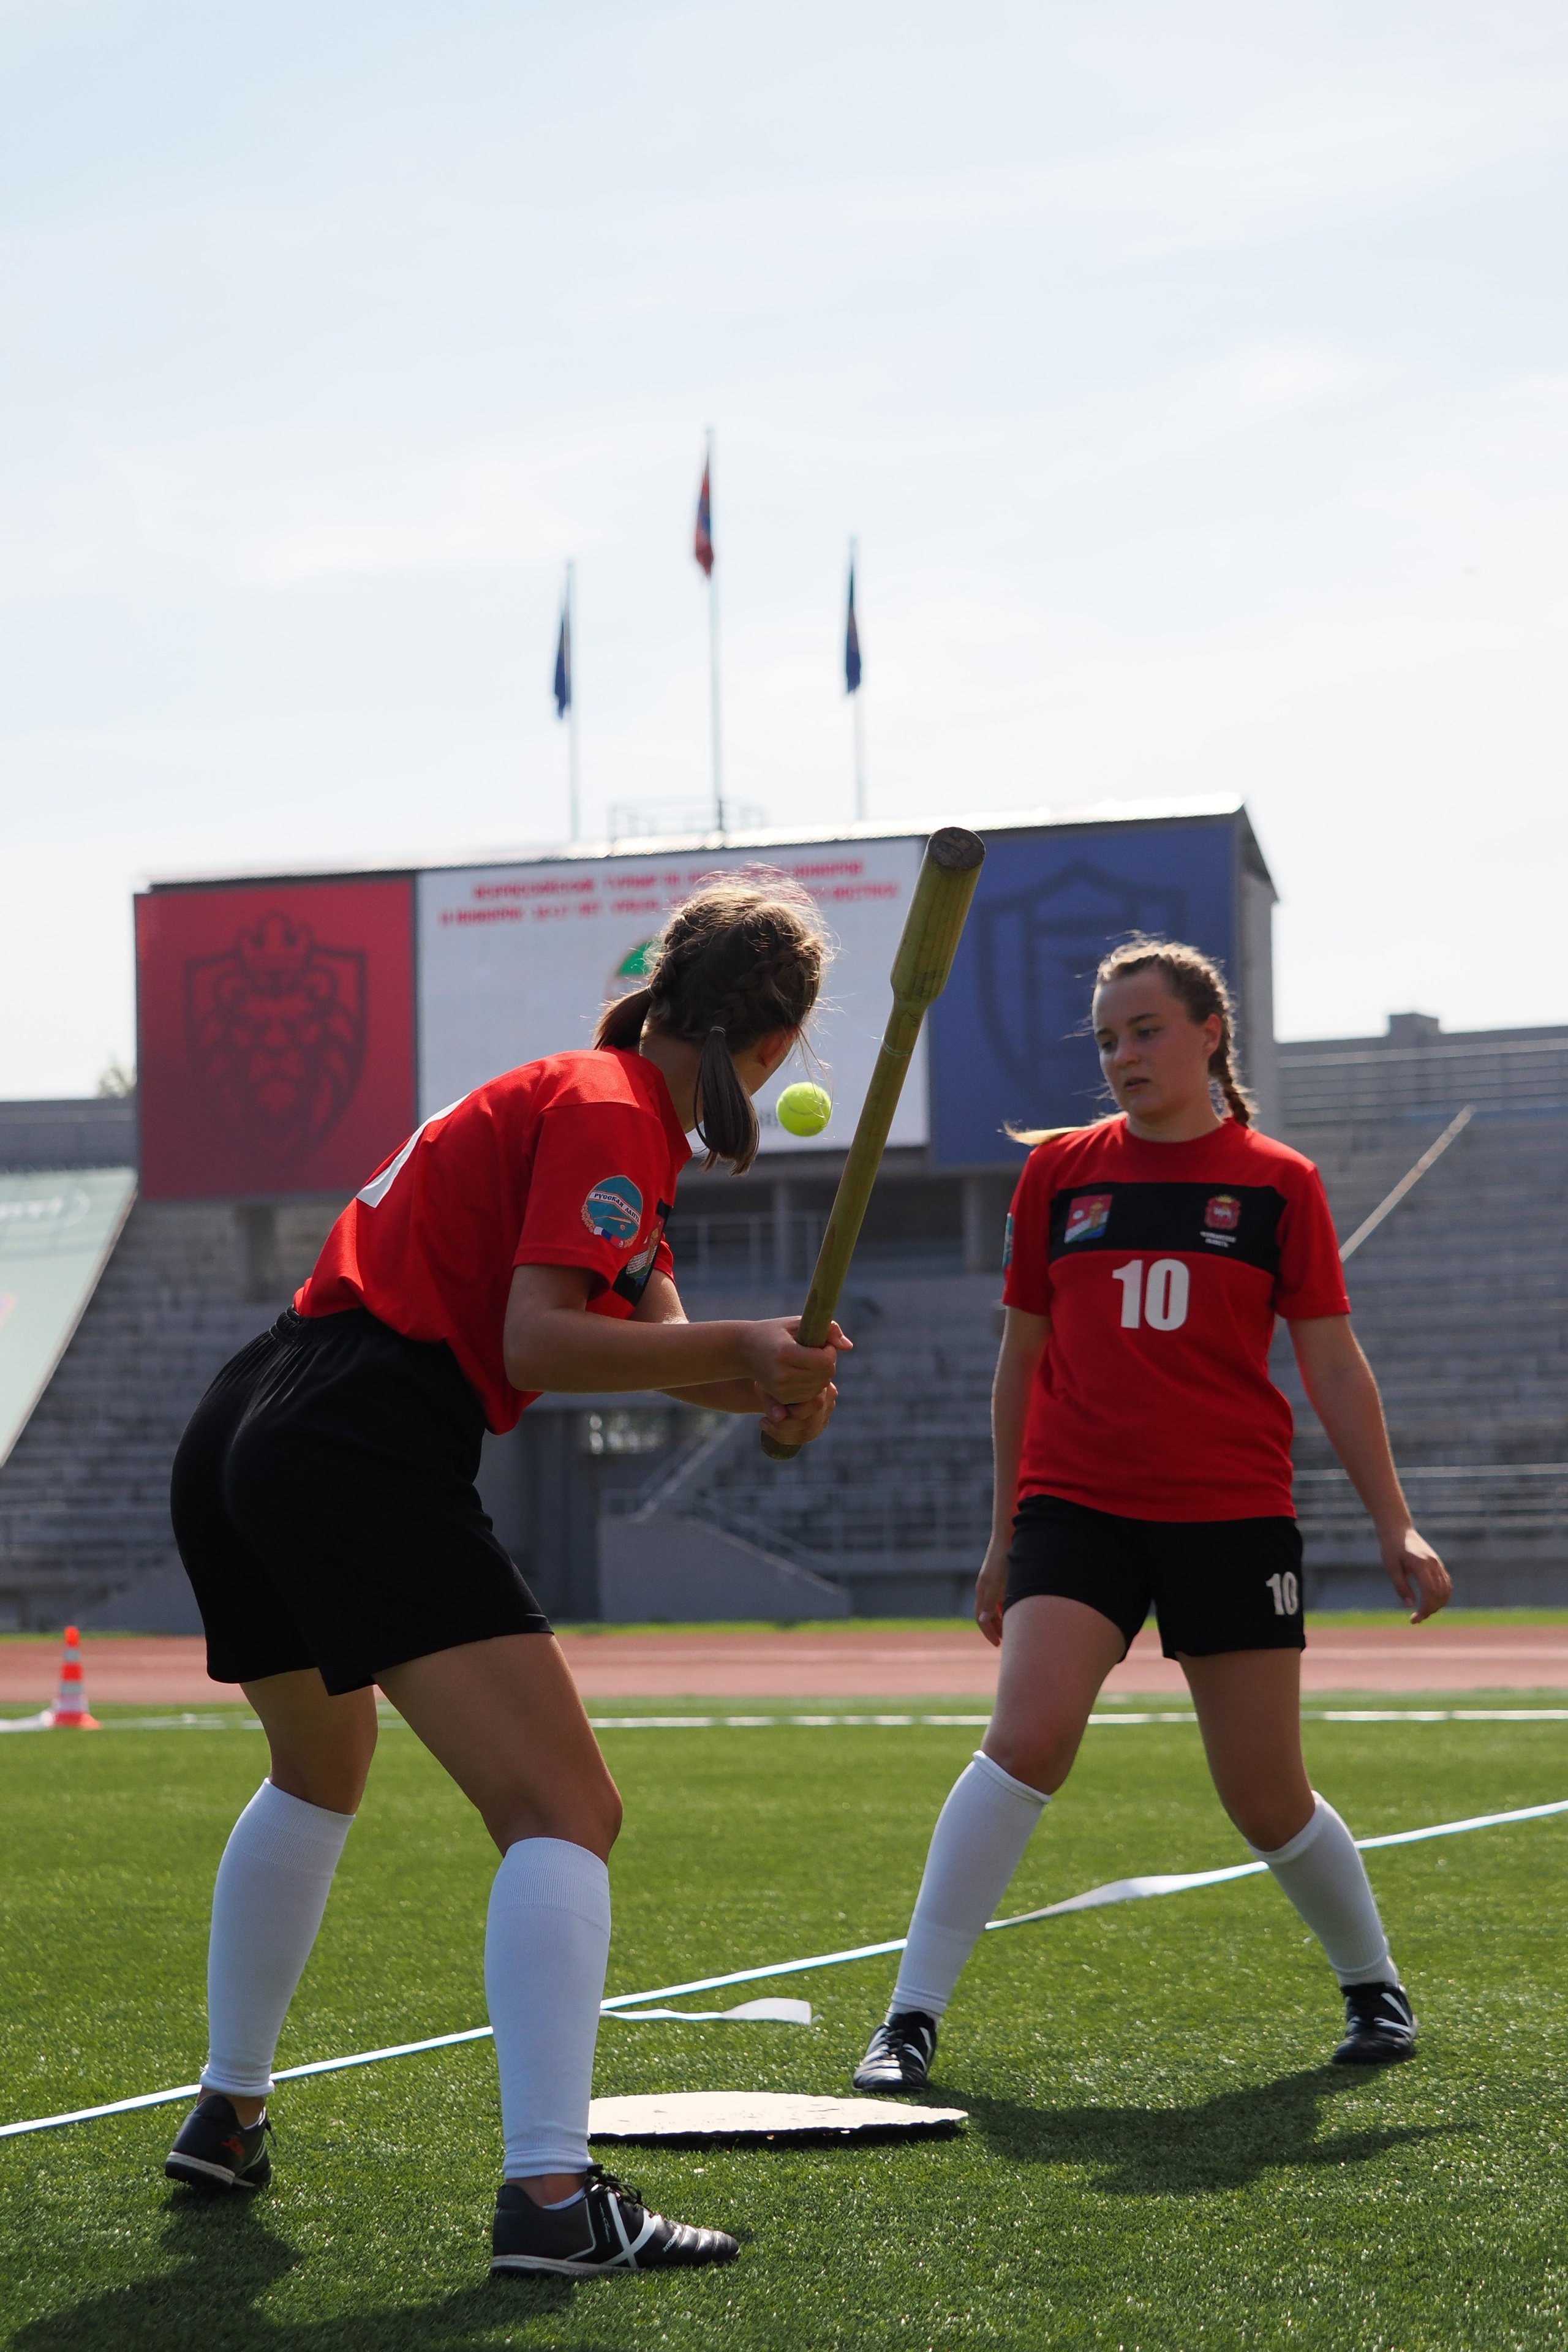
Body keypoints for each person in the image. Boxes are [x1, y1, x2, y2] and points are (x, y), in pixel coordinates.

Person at [163, 874, 848, 2279]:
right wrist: (745, 1346)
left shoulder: (594, 1098)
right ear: (774, 1043)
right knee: (566, 1807)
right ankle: (548, 2195)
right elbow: (541, 1345)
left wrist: (762, 1382)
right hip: (361, 1432)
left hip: (255, 1416)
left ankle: (228, 2109)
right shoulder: (605, 1114)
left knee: (319, 1768)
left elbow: (650, 1338)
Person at [853, 935, 1450, 2097]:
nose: (1124, 1054)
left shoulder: (1281, 1183)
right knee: (1025, 1742)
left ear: (1209, 1033)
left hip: (1231, 1512)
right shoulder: (1059, 1175)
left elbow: (1332, 1363)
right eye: (1109, 1038)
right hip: (1077, 1507)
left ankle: (1373, 1986)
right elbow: (1019, 1364)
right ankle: (909, 2019)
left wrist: (1397, 1522)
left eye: (1147, 1031)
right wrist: (1001, 1535)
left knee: (1264, 1794)